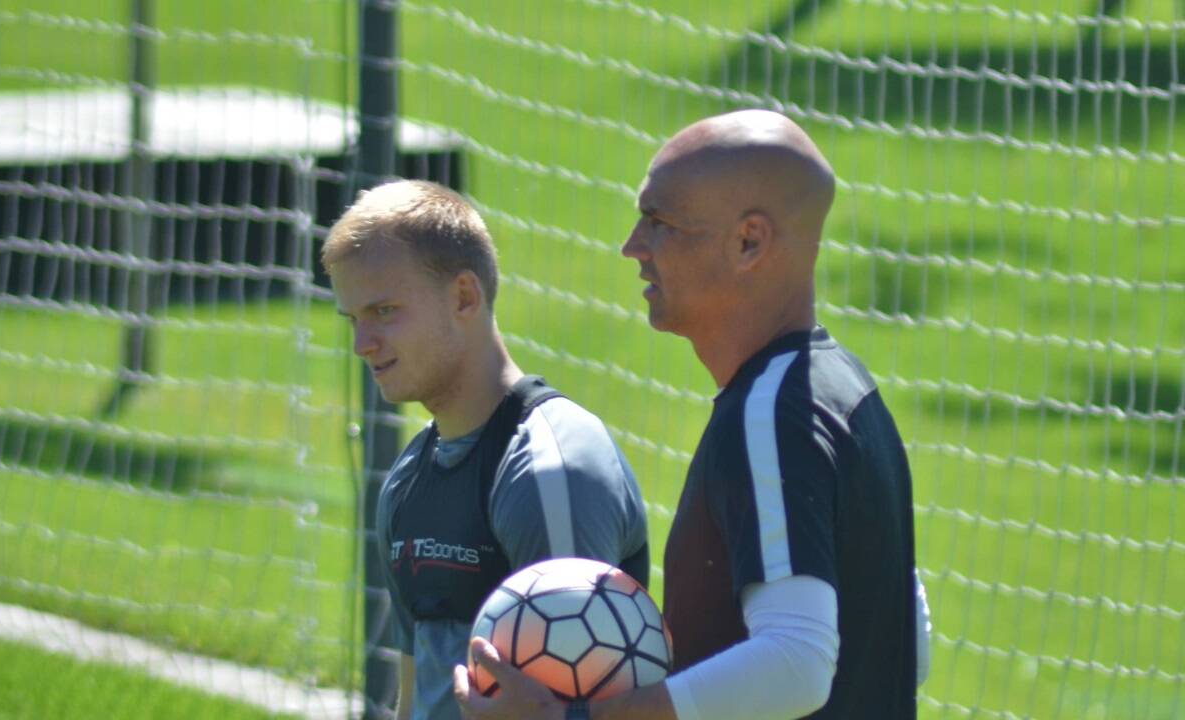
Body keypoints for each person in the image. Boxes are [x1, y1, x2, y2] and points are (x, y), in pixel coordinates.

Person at [453, 110, 931, 720]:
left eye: (660, 222)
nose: (632, 246)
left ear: (749, 242)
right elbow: (906, 647)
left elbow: (799, 664)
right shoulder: (847, 393)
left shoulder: (772, 415)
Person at [323, 180, 650, 720]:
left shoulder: (549, 470)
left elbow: (582, 702)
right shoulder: (408, 482)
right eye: (353, 319)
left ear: (464, 298)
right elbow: (415, 697)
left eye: (383, 311)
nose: (362, 344)